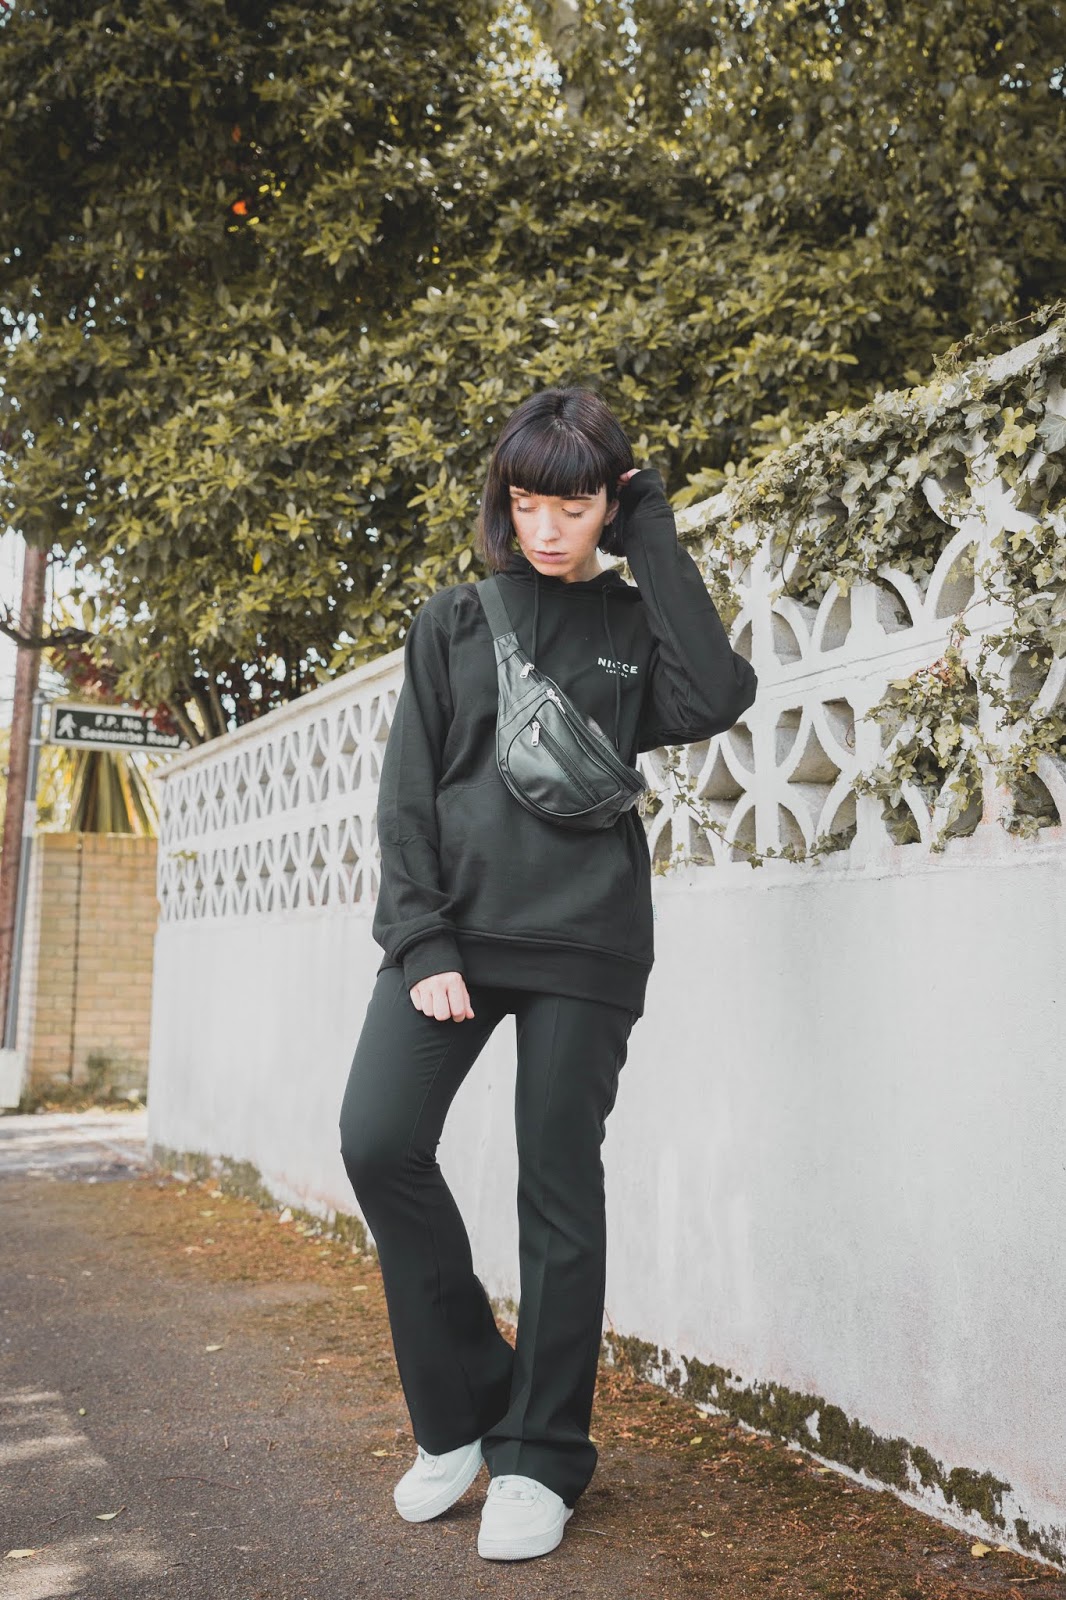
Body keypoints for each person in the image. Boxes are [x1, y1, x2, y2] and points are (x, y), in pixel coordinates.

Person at [338, 387, 757, 1562]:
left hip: (587, 938)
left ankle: (540, 1455)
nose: (545, 529)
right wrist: (423, 941)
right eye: (527, 503)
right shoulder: (453, 620)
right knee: (377, 1138)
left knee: (557, 1186)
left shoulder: (630, 621)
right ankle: (466, 1410)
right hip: (458, 936)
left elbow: (716, 694)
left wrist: (653, 531)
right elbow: (408, 792)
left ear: (605, 505)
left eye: (571, 506)